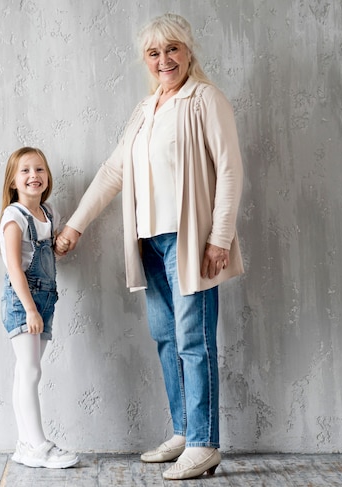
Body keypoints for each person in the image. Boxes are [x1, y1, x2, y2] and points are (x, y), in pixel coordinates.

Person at [57, 13, 244, 480]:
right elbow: (113, 172)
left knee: (193, 340)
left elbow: (230, 169)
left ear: (188, 51)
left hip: (189, 239)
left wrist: (219, 236)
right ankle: (183, 431)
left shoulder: (204, 100)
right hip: (148, 242)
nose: (164, 60)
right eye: (154, 53)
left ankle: (203, 443)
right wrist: (76, 226)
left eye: (172, 49)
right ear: (146, 60)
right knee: (166, 339)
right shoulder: (145, 110)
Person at [0, 147, 79, 469]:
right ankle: (38, 444)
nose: (34, 176)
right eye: (25, 171)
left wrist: (60, 243)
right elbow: (15, 268)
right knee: (30, 371)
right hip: (24, 302)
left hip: (45, 300)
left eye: (40, 169)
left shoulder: (47, 213)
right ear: (13, 182)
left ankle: (25, 445)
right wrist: (30, 310)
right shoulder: (14, 216)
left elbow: (44, 254)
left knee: (25, 372)